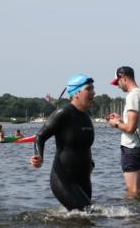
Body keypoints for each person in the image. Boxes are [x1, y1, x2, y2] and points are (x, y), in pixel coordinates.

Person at [31, 74, 96, 210]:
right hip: (64, 179)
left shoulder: (86, 117)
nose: (93, 92)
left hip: (84, 178)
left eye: (93, 89)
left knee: (85, 223)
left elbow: (83, 146)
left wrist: (90, 162)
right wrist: (39, 157)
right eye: (89, 89)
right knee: (87, 213)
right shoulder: (63, 113)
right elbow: (40, 136)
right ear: (76, 93)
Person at [107, 66, 140, 196]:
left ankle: (133, 217)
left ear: (124, 78)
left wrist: (115, 124)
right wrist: (121, 120)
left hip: (131, 149)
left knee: (133, 194)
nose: (117, 86)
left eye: (118, 82)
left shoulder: (132, 96)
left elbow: (131, 128)